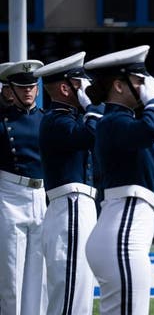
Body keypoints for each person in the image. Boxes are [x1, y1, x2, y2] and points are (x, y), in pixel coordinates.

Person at [84, 45, 154, 314]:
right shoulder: (113, 122)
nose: (145, 87)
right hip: (124, 230)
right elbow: (152, 128)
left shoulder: (120, 121)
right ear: (119, 86)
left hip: (122, 226)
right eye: (139, 81)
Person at [34, 51, 104, 315]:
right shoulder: (56, 120)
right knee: (70, 292)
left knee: (80, 289)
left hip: (76, 205)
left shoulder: (68, 118)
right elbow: (92, 135)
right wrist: (93, 107)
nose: (87, 90)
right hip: (70, 206)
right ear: (65, 88)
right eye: (81, 84)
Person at [0, 59, 48, 315]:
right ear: (9, 90)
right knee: (12, 274)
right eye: (21, 86)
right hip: (9, 194)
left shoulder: (47, 120)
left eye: (32, 86)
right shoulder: (2, 121)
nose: (28, 91)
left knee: (38, 275)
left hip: (40, 194)